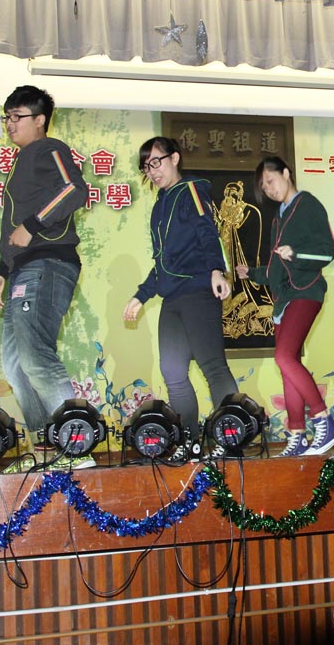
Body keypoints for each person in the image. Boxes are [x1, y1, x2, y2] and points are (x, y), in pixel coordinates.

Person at [0, 85, 93, 469]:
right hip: (23, 268)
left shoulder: (48, 149)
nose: (10, 123)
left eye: (18, 116)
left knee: (35, 357)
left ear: (40, 119)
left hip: (48, 264)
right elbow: (14, 233)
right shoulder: (23, 160)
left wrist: (33, 224)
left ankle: (76, 447)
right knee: (15, 364)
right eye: (7, 117)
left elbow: (75, 190)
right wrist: (2, 271)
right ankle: (47, 449)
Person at [123, 137, 238, 460]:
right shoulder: (160, 206)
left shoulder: (191, 190)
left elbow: (207, 231)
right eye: (146, 167)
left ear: (174, 158)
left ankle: (232, 437)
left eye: (156, 162)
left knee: (212, 366)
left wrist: (216, 270)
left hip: (198, 290)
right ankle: (190, 443)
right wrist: (141, 296)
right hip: (172, 298)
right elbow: (162, 261)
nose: (152, 171)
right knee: (173, 372)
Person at [235, 156, 334, 457]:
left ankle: (324, 421)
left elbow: (327, 253)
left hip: (306, 292)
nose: (269, 189)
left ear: (286, 173)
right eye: (264, 187)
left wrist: (295, 253)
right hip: (284, 300)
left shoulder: (308, 205)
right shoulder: (277, 218)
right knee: (287, 365)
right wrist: (252, 273)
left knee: (283, 357)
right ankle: (297, 436)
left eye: (270, 181)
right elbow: (275, 269)